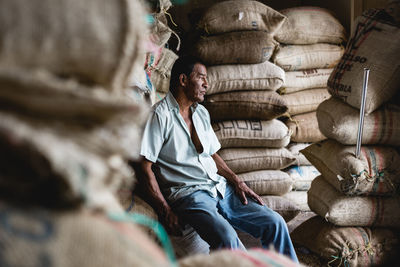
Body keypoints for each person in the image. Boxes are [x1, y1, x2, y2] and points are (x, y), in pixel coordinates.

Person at [139, 55, 298, 262]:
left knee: (275, 223)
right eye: (201, 78)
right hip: (191, 195)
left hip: (220, 189)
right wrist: (165, 210)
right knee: (226, 238)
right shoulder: (160, 116)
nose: (207, 84)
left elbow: (213, 155)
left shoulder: (201, 113)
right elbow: (144, 167)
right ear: (183, 80)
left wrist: (237, 181)